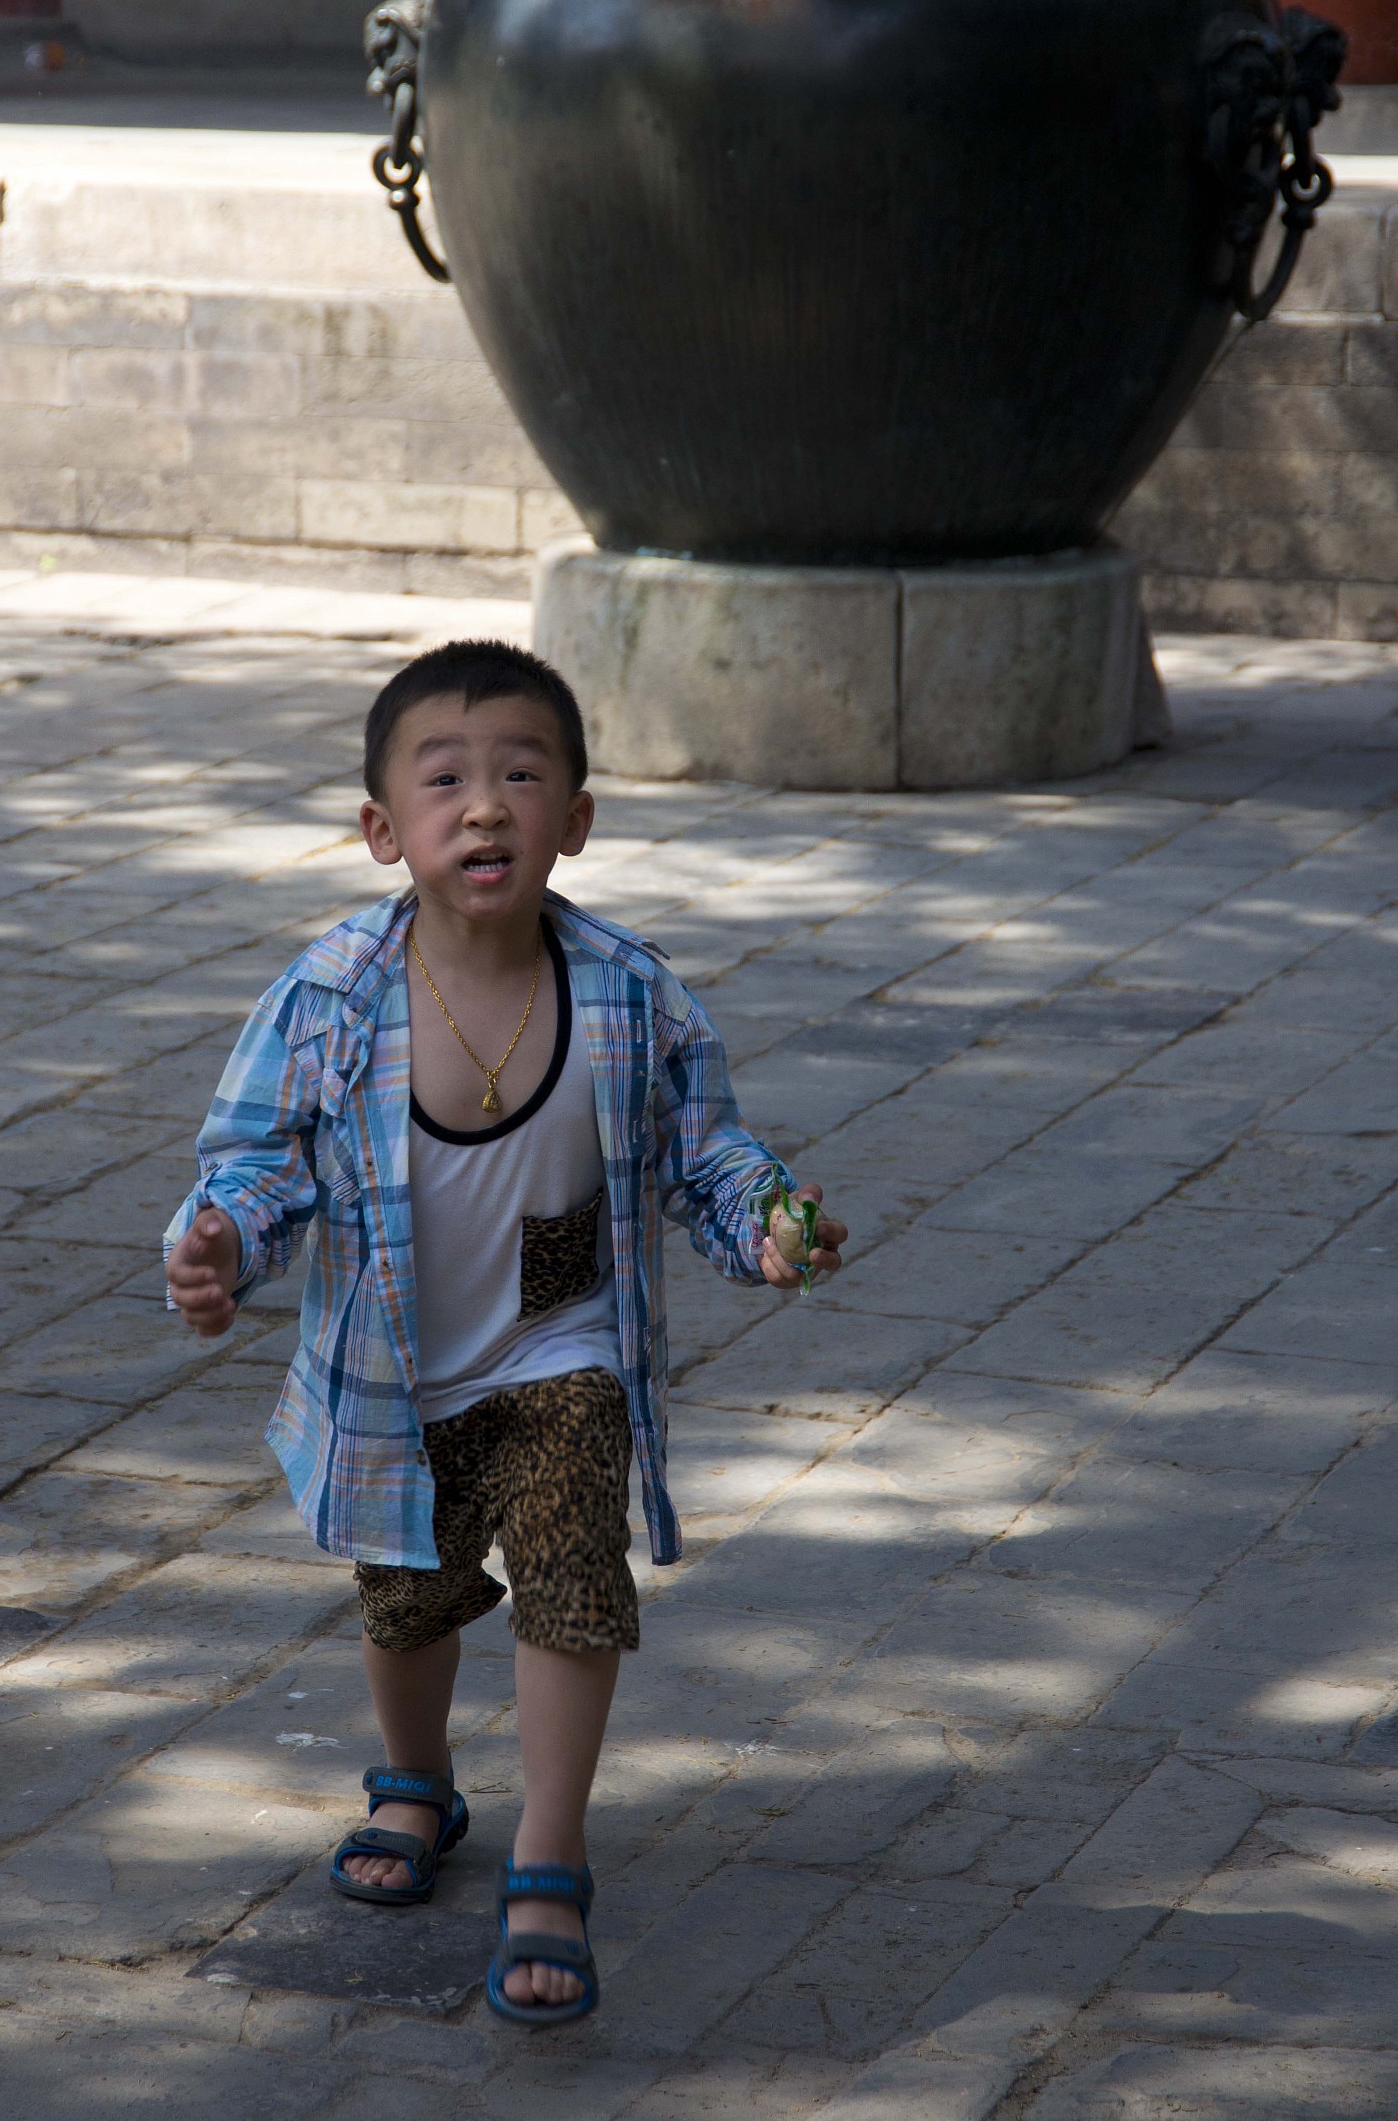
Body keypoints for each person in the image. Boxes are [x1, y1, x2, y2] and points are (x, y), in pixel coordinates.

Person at [163, 639, 846, 2027]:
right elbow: (255, 1158)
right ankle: (415, 1782)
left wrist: (766, 1224)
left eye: (522, 776)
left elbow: (708, 1155)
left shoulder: (628, 992)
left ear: (575, 820)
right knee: (408, 1605)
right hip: (395, 1368)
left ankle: (551, 1850)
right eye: (446, 780)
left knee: (573, 1570)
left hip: (562, 1349)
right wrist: (221, 1242)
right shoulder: (331, 995)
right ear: (382, 831)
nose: (485, 805)